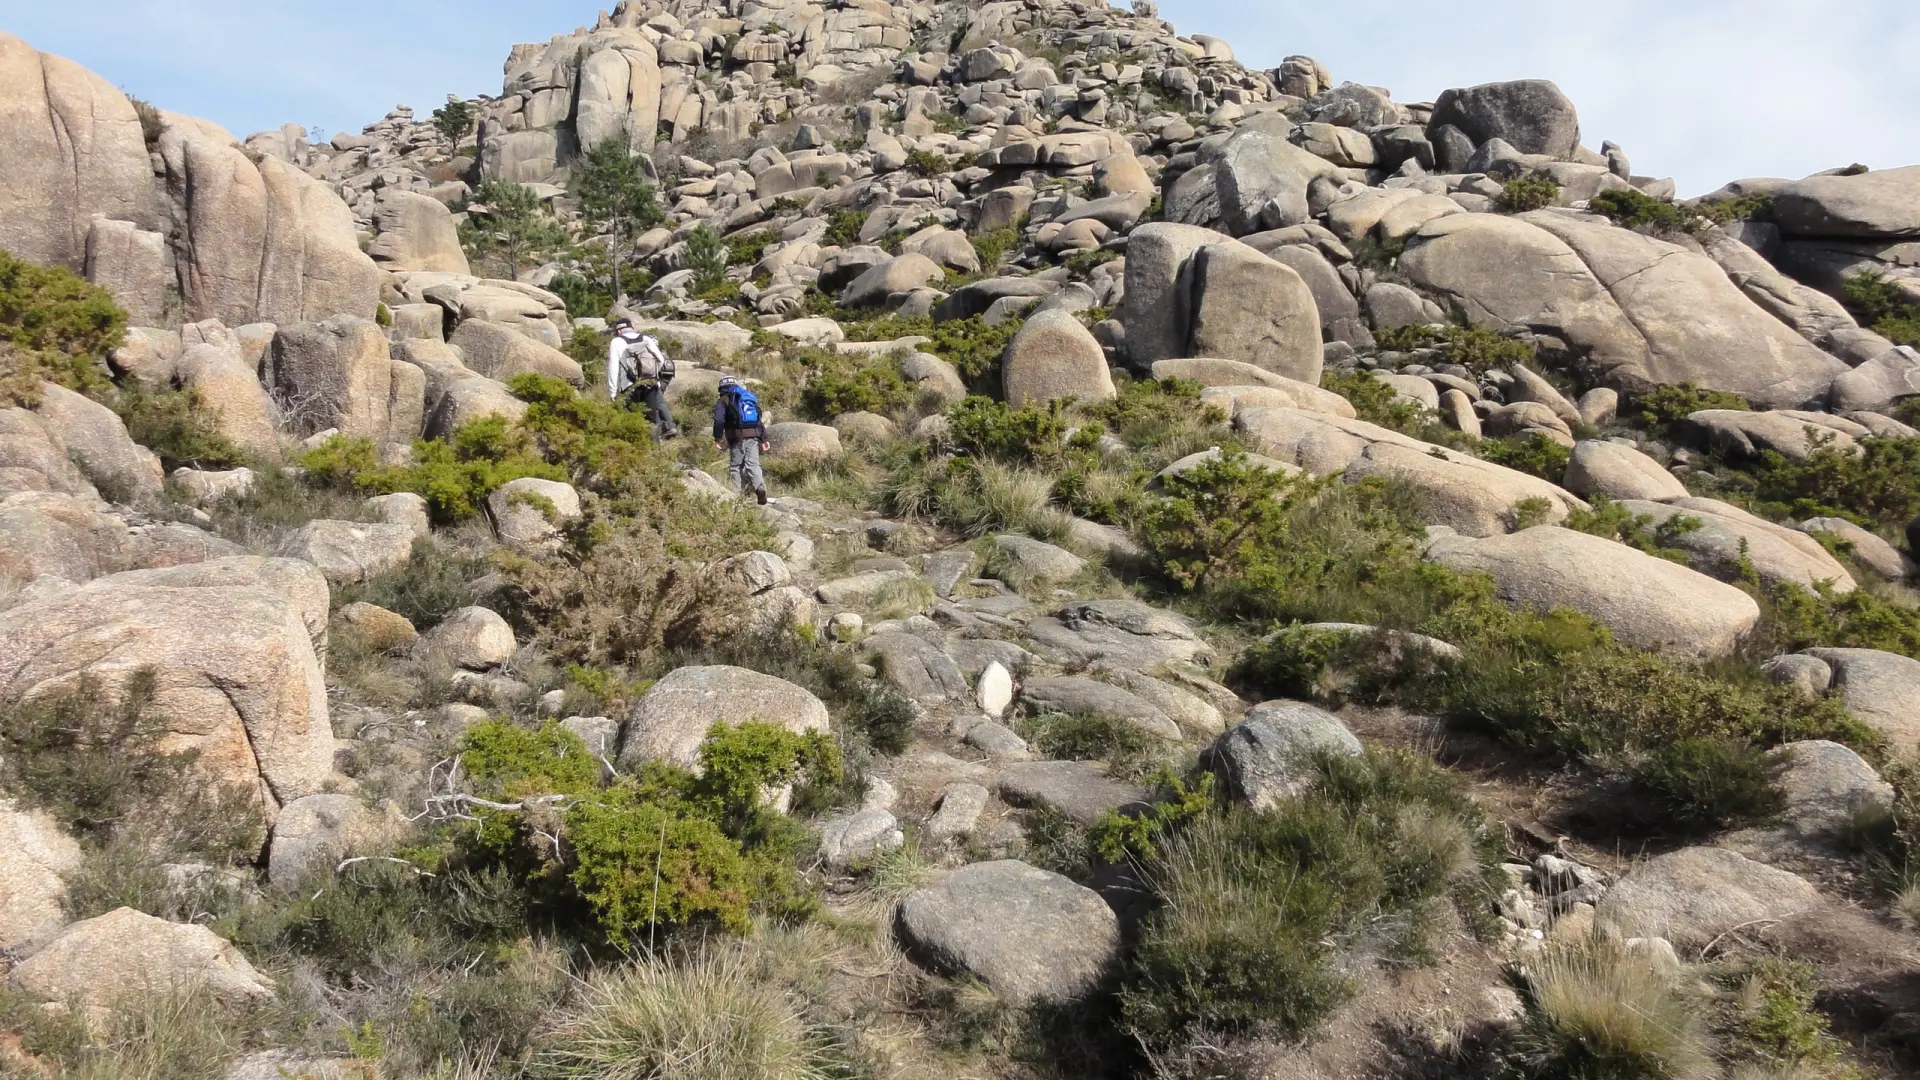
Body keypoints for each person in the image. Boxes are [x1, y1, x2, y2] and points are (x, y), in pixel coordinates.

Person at [606, 317, 678, 439]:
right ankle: (655, 448)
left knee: (632, 418)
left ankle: (637, 448)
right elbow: (660, 360)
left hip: (630, 386)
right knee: (652, 420)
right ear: (632, 328)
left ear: (618, 331)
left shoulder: (617, 342)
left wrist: (612, 391)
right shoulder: (646, 338)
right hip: (651, 384)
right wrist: (654, 377)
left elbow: (613, 367)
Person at [713, 376, 770, 505]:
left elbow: (719, 420)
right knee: (752, 464)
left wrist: (717, 438)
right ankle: (760, 487)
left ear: (722, 388)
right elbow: (758, 419)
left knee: (736, 466)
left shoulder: (723, 400)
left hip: (736, 437)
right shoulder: (748, 398)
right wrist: (764, 438)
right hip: (754, 435)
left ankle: (737, 497)